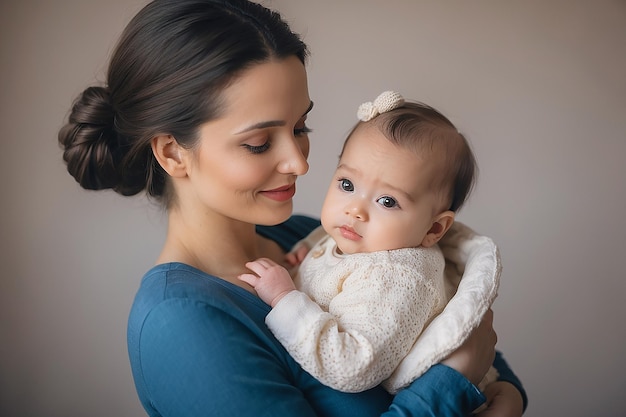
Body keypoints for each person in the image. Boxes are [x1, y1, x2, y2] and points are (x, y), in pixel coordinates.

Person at [57, 0, 526, 416]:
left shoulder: (312, 239)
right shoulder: (178, 322)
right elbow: (468, 360)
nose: (300, 162)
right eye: (260, 143)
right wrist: (453, 383)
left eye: (302, 127)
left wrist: (508, 395)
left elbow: (466, 330)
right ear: (174, 153)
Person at [239, 90, 500, 394]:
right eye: (347, 184)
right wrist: (308, 249)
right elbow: (332, 243)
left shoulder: (396, 276)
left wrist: (285, 299)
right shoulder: (366, 239)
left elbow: (351, 366)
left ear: (434, 229)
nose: (355, 209)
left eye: (387, 201)